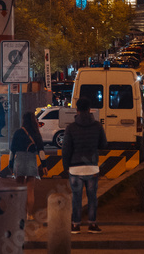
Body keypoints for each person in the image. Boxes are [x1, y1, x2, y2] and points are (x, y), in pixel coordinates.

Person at [62, 98, 108, 234]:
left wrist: (66, 167)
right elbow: (103, 144)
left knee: (76, 197)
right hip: (92, 167)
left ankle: (75, 225)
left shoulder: (71, 128)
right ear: (90, 109)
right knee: (92, 196)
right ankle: (92, 225)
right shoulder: (97, 126)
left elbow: (66, 149)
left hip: (75, 168)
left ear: (77, 110)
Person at [10, 111, 46, 220]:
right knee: (30, 190)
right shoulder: (36, 133)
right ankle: (29, 214)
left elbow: (12, 151)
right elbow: (41, 151)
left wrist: (10, 164)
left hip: (19, 161)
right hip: (31, 160)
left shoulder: (18, 132)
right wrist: (44, 165)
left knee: (20, 189)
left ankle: (20, 213)